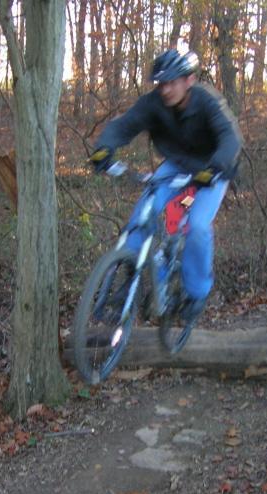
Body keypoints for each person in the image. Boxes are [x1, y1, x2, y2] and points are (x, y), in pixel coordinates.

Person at [90, 49, 243, 321]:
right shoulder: (153, 104)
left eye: (172, 82)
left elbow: (230, 137)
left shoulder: (208, 102)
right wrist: (104, 149)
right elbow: (125, 125)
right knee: (142, 215)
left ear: (189, 80)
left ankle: (196, 294)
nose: (166, 90)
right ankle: (128, 279)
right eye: (161, 83)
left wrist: (214, 168)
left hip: (212, 170)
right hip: (176, 167)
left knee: (196, 226)